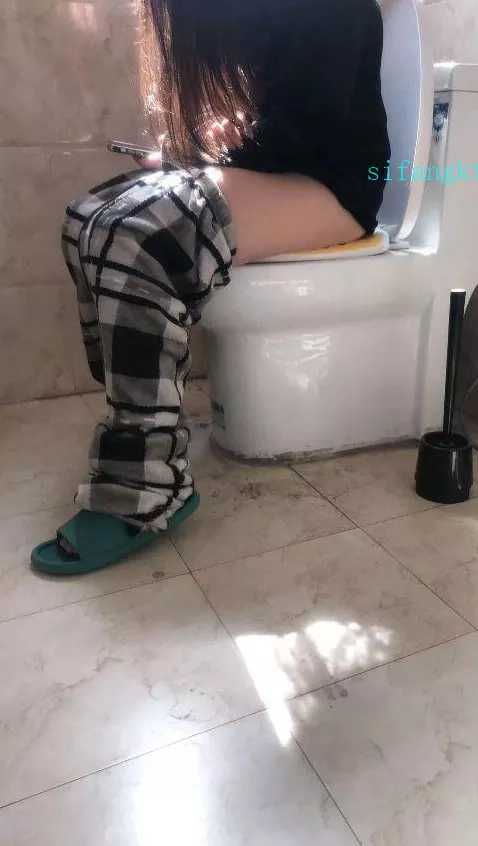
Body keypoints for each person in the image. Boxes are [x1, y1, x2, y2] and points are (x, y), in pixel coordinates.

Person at [31, 0, 390, 574]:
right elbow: (269, 128)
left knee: (138, 238)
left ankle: (146, 490)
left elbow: (305, 132)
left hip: (336, 186)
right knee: (87, 219)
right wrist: (198, 154)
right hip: (276, 172)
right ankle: (135, 418)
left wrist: (201, 157)